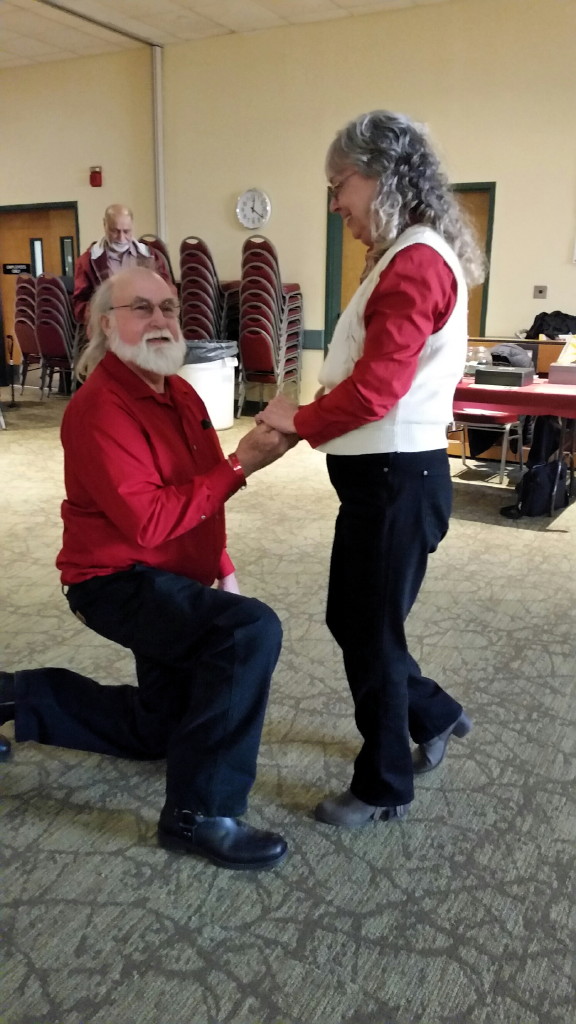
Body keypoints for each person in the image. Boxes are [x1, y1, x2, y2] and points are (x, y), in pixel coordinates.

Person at [0, 266, 296, 870]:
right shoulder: (96, 409)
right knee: (247, 631)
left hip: (170, 577)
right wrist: (243, 463)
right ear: (108, 324)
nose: (161, 320)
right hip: (112, 582)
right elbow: (150, 522)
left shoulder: (179, 392)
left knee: (163, 731)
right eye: (142, 308)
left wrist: (220, 561)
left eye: (168, 307)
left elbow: (198, 492)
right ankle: (200, 816)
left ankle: (7, 698)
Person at [257, 110, 485, 828]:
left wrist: (301, 421)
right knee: (356, 621)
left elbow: (378, 389)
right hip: (385, 482)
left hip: (398, 481)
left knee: (370, 632)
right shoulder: (402, 253)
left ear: (381, 176)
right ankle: (436, 713)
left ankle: (384, 782)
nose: (335, 205)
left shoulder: (415, 258)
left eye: (339, 186)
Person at [72, 204, 173, 337]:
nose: (121, 238)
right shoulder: (87, 261)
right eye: (115, 231)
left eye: (126, 231)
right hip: (107, 333)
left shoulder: (150, 256)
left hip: (146, 330)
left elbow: (168, 293)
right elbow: (79, 304)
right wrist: (100, 315)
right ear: (104, 225)